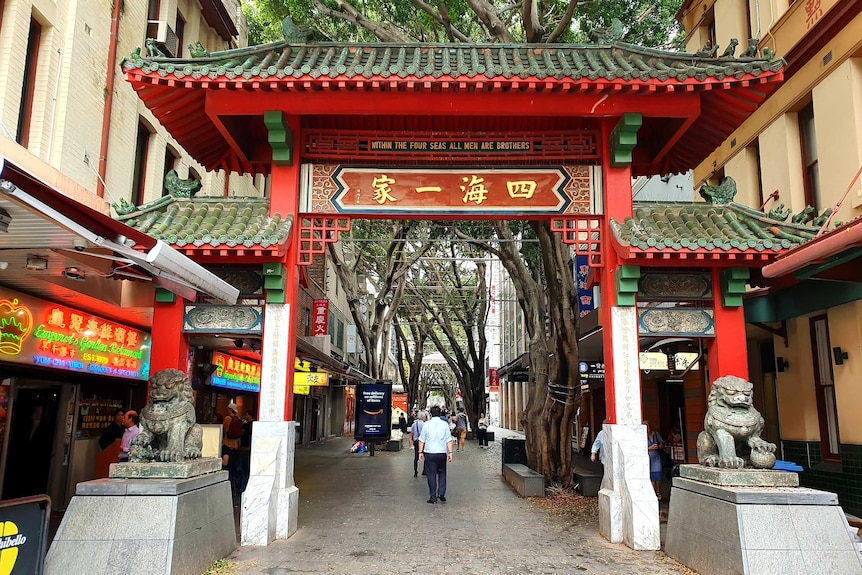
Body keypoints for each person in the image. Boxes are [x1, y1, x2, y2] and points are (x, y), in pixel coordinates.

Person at [418, 405, 454, 504]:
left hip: (429, 453)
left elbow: (421, 439)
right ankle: (441, 493)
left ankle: (433, 497)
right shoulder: (445, 424)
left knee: (431, 475)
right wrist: (450, 452)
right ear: (440, 414)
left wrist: (420, 452)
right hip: (442, 452)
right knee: (442, 473)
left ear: (430, 414)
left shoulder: (427, 424)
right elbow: (449, 439)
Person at [645, 420, 664, 499]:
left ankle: (658, 491)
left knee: (658, 475)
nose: (647, 430)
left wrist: (658, 446)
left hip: (656, 457)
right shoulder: (642, 437)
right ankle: (653, 493)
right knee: (651, 476)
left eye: (648, 427)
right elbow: (640, 448)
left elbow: (662, 444)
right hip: (648, 458)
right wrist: (650, 448)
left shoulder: (656, 434)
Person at [409, 411, 427, 477]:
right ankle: (424, 470)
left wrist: (411, 443)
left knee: (416, 457)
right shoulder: (425, 424)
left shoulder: (414, 424)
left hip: (416, 442)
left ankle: (415, 471)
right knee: (426, 456)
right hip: (423, 442)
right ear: (423, 417)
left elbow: (412, 434)